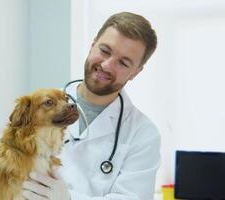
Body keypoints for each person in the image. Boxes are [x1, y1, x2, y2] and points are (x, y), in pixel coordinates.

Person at [22, 12, 161, 200]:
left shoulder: (143, 134)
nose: (107, 65)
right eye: (105, 50)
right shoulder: (38, 106)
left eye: (124, 62)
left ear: (135, 72)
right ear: (92, 44)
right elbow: (2, 159)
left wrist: (70, 199)